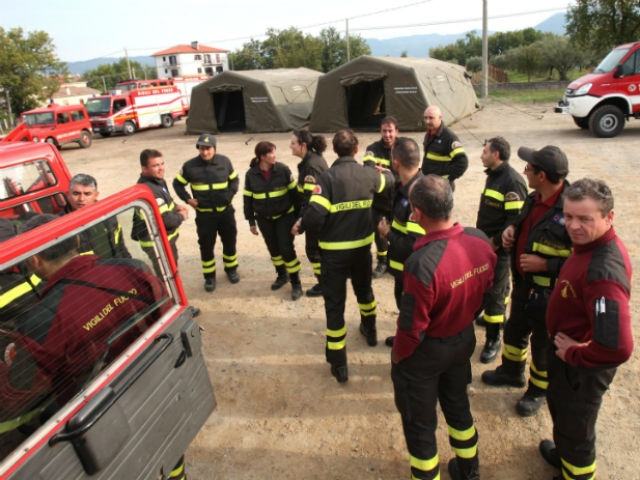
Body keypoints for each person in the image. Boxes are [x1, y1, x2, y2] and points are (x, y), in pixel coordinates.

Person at [391, 175, 496, 480]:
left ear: (417, 213)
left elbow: (412, 329)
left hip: (426, 353)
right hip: (462, 340)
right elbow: (487, 293)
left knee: (420, 423)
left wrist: (399, 357)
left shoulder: (421, 264)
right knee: (457, 404)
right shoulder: (479, 240)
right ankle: (469, 469)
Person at [540, 179, 633, 480]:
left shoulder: (603, 273)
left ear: (609, 217)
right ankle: (563, 455)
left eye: (584, 219)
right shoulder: (588, 245)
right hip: (568, 361)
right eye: (568, 217)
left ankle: (576, 471)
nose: (573, 226)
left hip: (580, 370)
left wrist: (575, 354)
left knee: (577, 428)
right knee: (564, 415)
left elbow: (617, 346)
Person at [482, 145, 572, 417]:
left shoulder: (572, 210)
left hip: (549, 293)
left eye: (529, 168)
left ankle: (538, 390)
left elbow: (585, 261)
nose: (524, 171)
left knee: (542, 345)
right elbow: (521, 221)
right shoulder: (534, 198)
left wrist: (547, 265)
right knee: (514, 331)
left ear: (542, 175)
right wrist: (511, 230)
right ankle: (511, 371)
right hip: (523, 284)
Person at [298, 129, 393, 383]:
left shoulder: (327, 180)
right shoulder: (368, 174)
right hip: (362, 250)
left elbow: (315, 216)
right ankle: (371, 331)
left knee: (335, 306)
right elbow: (390, 182)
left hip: (333, 256)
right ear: (357, 148)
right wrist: (383, 173)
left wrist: (306, 226)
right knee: (365, 293)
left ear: (334, 150)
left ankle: (339, 364)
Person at [475, 137, 527, 363]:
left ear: (496, 154)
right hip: (486, 246)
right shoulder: (494, 176)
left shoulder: (512, 182)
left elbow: (514, 223)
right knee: (488, 289)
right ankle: (491, 319)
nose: (481, 155)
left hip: (499, 251)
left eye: (485, 151)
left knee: (496, 295)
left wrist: (494, 243)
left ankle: (493, 339)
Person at [173, 133, 240, 293]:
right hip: (205, 216)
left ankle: (231, 270)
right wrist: (188, 199)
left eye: (208, 149)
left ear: (214, 148)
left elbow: (234, 180)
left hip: (225, 213)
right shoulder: (190, 166)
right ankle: (209, 277)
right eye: (202, 148)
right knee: (206, 246)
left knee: (229, 241)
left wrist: (229, 195)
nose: (205, 152)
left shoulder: (225, 161)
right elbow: (177, 184)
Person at [376, 137, 424, 347]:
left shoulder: (416, 196)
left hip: (411, 270)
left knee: (411, 309)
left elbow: (413, 244)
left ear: (396, 162)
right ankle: (405, 335)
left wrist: (387, 234)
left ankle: (412, 344)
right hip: (401, 269)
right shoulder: (405, 186)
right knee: (404, 307)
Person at [244, 141, 302, 301]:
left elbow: (295, 196)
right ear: (262, 157)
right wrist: (251, 221)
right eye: (271, 153)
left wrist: (299, 218)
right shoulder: (251, 175)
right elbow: (247, 199)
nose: (275, 155)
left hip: (285, 217)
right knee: (274, 249)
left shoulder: (283, 170)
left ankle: (296, 283)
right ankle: (282, 275)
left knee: (286, 249)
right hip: (264, 220)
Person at [132, 149, 189, 270]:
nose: (161, 168)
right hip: (158, 244)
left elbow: (166, 201)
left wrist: (175, 206)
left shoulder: (158, 181)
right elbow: (166, 221)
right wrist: (182, 216)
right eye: (155, 165)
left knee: (172, 269)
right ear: (144, 169)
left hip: (164, 240)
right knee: (167, 277)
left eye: (162, 164)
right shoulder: (150, 190)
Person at [290, 130, 329, 297]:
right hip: (322, 213)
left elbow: (310, 200)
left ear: (303, 145)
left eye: (293, 143)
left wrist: (301, 222)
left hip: (318, 216)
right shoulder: (312, 160)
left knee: (313, 250)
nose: (290, 146)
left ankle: (324, 284)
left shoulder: (310, 167)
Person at [363, 116, 399, 278]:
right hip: (380, 202)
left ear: (396, 131)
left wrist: (387, 173)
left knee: (400, 232)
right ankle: (382, 262)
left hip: (399, 199)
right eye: (384, 131)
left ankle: (398, 260)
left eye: (390, 131)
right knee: (380, 233)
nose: (387, 134)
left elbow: (409, 171)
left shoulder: (403, 147)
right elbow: (368, 171)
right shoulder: (372, 149)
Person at [65, 174, 131, 259]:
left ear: (96, 195)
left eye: (87, 194)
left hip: (117, 267)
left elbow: (121, 247)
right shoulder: (60, 226)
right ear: (68, 195)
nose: (81, 199)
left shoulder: (109, 215)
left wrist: (131, 265)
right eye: (76, 193)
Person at [421, 105, 468, 190]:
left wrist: (446, 179)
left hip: (441, 188)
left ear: (440, 118)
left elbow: (462, 163)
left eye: (431, 118)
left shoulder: (449, 138)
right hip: (429, 185)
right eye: (425, 118)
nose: (427, 121)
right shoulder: (429, 133)